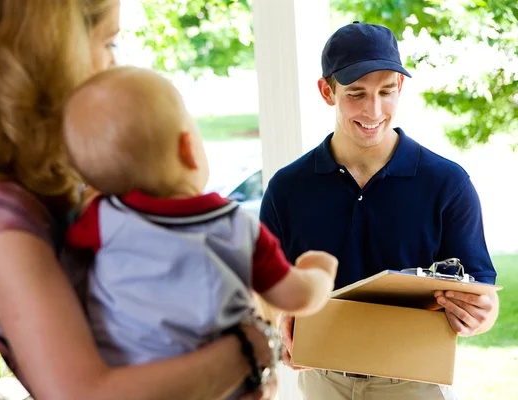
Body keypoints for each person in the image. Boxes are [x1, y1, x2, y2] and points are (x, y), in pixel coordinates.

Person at [0, 1, 278, 399]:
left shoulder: (56, 177)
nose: (112, 65)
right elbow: (83, 393)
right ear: (49, 52)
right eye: (108, 43)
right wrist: (249, 349)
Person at [62, 66, 338, 397]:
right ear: (187, 149)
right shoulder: (235, 225)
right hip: (228, 386)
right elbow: (296, 297)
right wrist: (319, 271)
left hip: (139, 383)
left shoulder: (100, 219)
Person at [259, 22, 499, 400]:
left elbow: (482, 290)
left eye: (386, 91)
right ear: (327, 91)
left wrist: (481, 315)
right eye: (356, 93)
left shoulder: (447, 183)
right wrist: (277, 318)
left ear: (400, 88)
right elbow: (264, 288)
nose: (374, 110)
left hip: (415, 381)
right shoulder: (288, 188)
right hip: (323, 382)